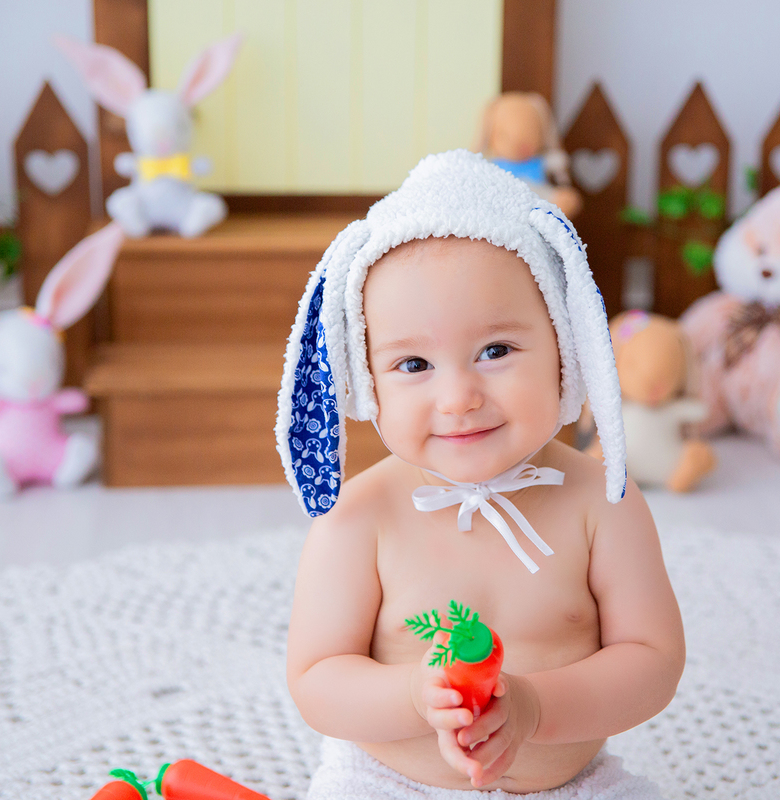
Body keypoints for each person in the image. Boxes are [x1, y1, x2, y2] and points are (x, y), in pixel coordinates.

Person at [276, 150, 684, 798]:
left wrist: (534, 709)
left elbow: (653, 663)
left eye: (495, 351)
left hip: (566, 784)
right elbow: (317, 680)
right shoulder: (360, 517)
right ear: (367, 378)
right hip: (390, 781)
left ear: (564, 347)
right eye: (414, 365)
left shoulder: (602, 502)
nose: (458, 396)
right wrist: (415, 695)